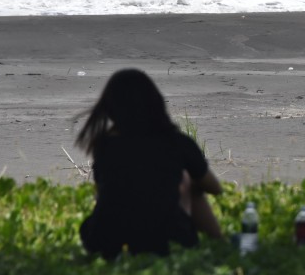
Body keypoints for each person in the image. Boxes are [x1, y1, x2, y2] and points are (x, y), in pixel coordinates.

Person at [75, 68, 223, 259]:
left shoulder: (104, 146)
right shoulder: (175, 142)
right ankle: (222, 245)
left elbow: (103, 192)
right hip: (165, 239)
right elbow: (215, 188)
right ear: (156, 104)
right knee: (190, 183)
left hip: (105, 239)